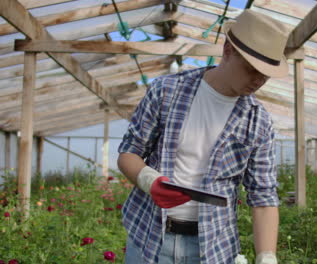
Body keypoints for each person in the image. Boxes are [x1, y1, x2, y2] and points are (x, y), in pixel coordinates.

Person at [117, 9, 289, 264]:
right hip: (150, 236)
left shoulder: (258, 121)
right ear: (228, 50)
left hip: (212, 248)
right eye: (252, 69)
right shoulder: (167, 92)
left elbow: (263, 196)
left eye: (266, 73)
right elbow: (128, 153)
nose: (259, 80)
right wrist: (148, 180)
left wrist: (266, 257)